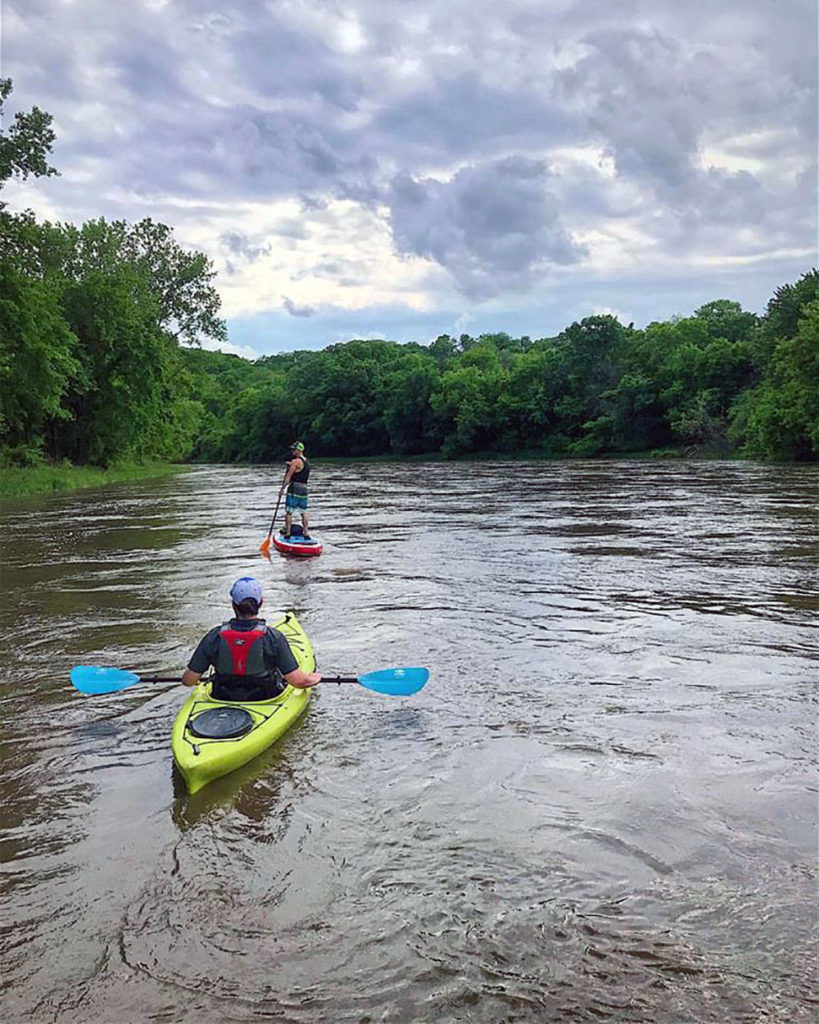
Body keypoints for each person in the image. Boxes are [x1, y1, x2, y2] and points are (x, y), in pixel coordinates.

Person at [181, 577, 321, 700]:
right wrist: (315, 677)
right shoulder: (273, 638)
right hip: (265, 697)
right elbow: (298, 681)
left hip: (222, 696)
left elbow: (188, 681)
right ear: (261, 603)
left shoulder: (214, 636)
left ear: (233, 604)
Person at [280, 440, 311, 539]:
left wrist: (282, 489)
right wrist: (291, 465)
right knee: (303, 511)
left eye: (294, 449)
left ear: (299, 450)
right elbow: (300, 469)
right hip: (304, 488)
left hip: (295, 488)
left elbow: (289, 476)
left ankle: (288, 533)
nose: (292, 451)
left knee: (289, 511)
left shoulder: (295, 461)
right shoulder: (306, 461)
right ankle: (306, 533)